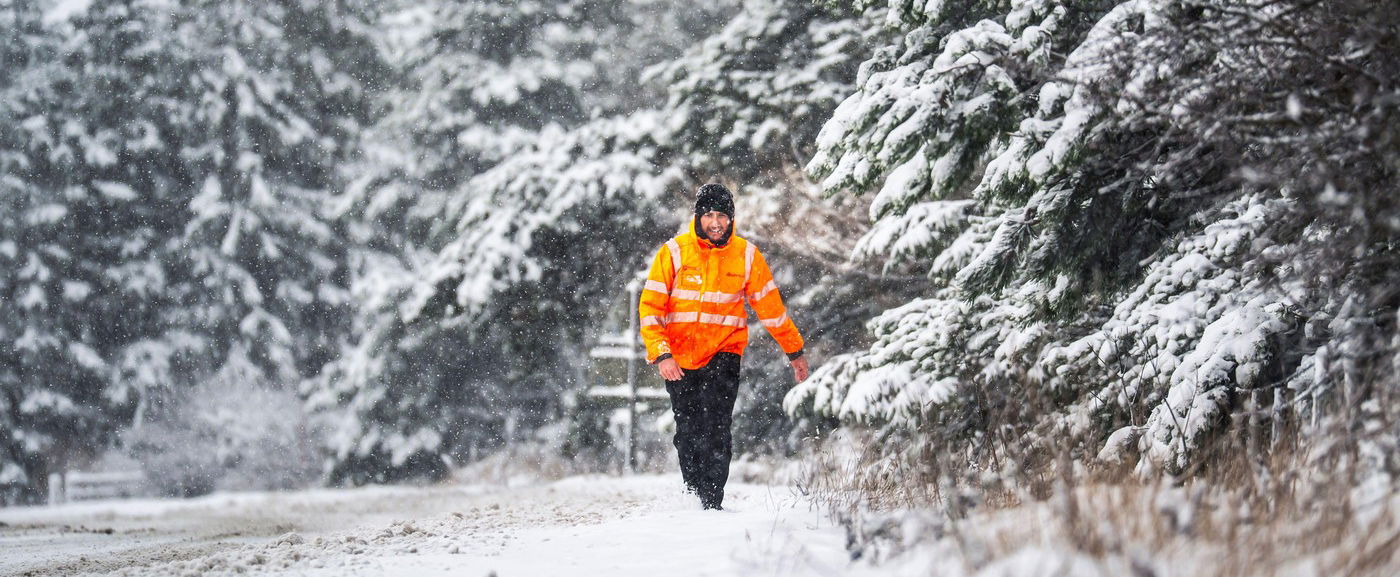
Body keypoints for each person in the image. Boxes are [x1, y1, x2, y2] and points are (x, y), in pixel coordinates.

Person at [638, 183, 810, 510]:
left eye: (722, 216)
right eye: (709, 216)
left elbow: (771, 310)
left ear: (732, 219)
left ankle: (711, 502)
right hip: (680, 358)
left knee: (717, 427)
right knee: (688, 431)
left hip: (724, 354)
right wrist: (661, 354)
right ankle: (693, 495)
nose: (716, 223)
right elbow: (650, 308)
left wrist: (794, 351)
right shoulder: (674, 252)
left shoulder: (746, 256)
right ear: (698, 217)